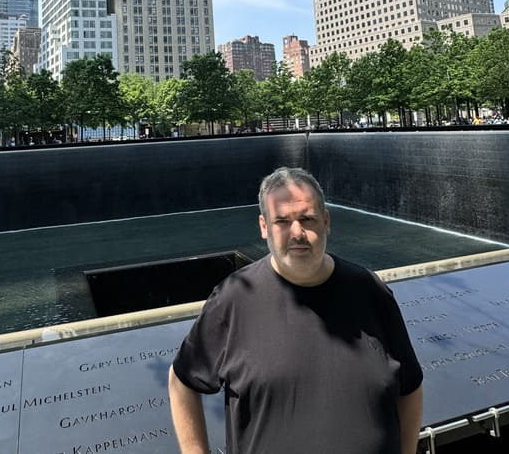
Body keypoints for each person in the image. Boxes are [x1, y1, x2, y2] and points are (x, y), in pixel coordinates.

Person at [168, 166, 423, 454]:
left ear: (326, 221)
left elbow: (410, 388)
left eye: (307, 219)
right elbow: (182, 381)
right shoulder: (234, 298)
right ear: (264, 227)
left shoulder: (370, 290)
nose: (297, 232)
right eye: (283, 221)